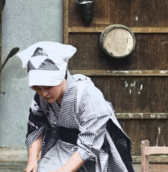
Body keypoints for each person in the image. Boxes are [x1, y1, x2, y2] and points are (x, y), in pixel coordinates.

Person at [16, 42, 134, 172]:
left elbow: (89, 146)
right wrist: (32, 160)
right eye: (37, 88)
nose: (44, 93)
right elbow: (35, 127)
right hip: (64, 145)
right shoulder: (41, 98)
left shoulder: (88, 96)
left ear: (61, 78)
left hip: (97, 147)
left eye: (48, 87)